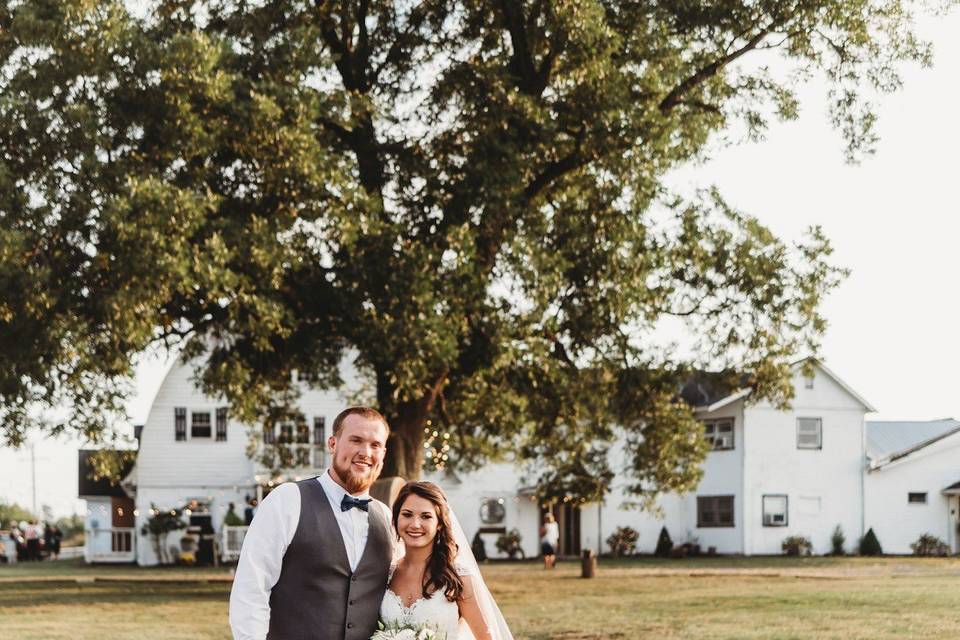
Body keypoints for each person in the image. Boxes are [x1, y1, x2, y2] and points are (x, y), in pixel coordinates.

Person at [229, 407, 394, 640]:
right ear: (332, 443)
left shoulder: (386, 517)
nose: (365, 452)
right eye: (356, 440)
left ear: (383, 453)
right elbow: (251, 589)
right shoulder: (287, 499)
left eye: (375, 445)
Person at [381, 481, 513, 640]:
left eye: (426, 516)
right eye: (407, 514)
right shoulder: (387, 573)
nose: (415, 524)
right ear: (396, 519)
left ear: (439, 524)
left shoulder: (457, 576)